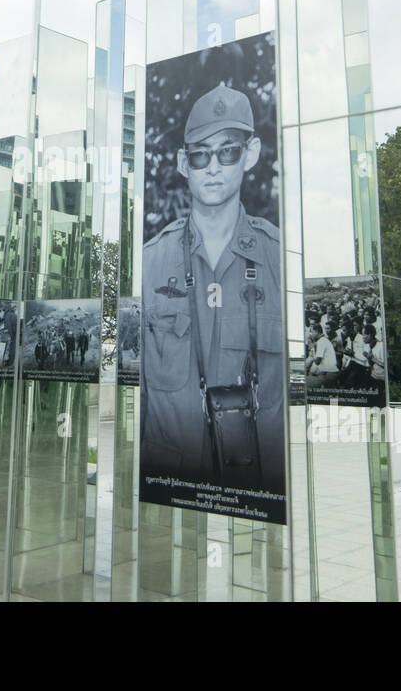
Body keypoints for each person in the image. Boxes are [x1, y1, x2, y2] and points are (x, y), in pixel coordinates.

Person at [141, 84, 285, 495]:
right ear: (185, 164)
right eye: (201, 154)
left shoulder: (280, 260)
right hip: (173, 487)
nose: (213, 167)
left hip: (256, 488)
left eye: (228, 151)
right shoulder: (151, 262)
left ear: (251, 154)